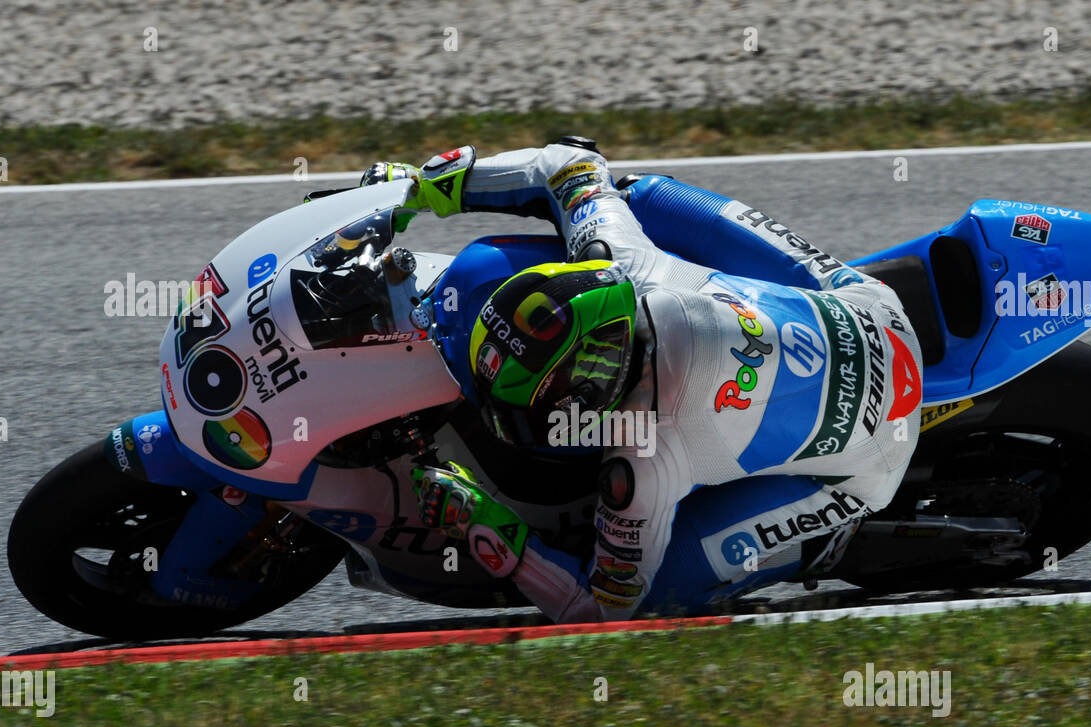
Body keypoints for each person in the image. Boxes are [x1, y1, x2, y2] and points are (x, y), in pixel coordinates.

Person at [362, 140, 924, 622]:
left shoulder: (643, 467)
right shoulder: (624, 261)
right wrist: (423, 186)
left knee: (656, 602)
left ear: (588, 398)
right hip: (870, 306)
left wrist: (496, 536)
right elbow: (569, 162)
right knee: (640, 195)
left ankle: (816, 545)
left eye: (528, 415)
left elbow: (604, 613)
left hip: (876, 454)